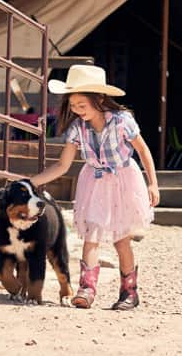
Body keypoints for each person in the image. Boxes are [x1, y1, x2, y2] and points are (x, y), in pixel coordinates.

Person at [31, 64, 159, 310]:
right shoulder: (77, 129)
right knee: (92, 236)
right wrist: (32, 182)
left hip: (124, 181)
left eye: (82, 105)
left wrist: (152, 184)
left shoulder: (123, 121)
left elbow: (143, 151)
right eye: (73, 106)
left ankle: (129, 292)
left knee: (122, 239)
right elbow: (62, 165)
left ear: (99, 99)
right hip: (94, 184)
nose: (78, 111)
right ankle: (86, 290)